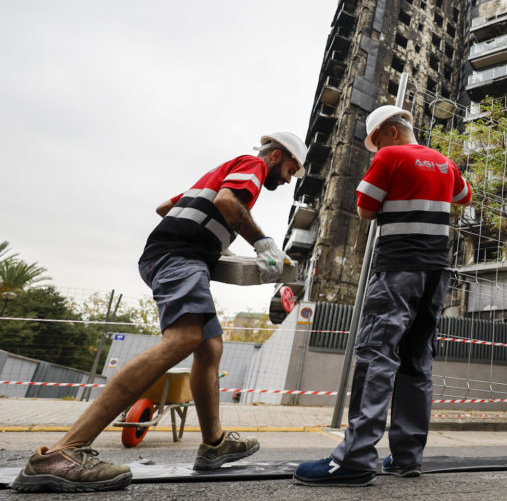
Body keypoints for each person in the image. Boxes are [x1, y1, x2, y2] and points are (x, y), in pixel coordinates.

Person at [12, 132, 307, 494]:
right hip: (179, 257)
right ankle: (63, 453)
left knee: (210, 346)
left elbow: (166, 208)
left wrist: (217, 244)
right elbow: (230, 202)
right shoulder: (254, 165)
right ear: (276, 156)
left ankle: (214, 445)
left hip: (178, 256)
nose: (289, 178)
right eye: (291, 169)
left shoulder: (215, 175)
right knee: (184, 338)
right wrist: (262, 242)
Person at [294, 106, 471, 487]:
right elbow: (463, 197)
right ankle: (407, 457)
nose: (375, 150)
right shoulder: (445, 161)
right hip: (436, 272)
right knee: (416, 361)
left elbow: (364, 208)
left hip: (398, 268)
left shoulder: (391, 156)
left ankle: (355, 458)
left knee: (376, 354)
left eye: (375, 141)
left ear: (390, 132)